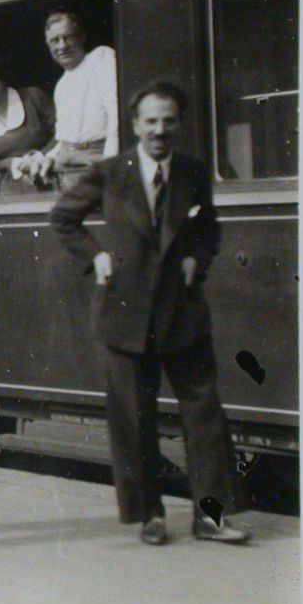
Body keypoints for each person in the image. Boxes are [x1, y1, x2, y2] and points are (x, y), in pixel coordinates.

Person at [50, 80, 249, 546]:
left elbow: (209, 232)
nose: (160, 130)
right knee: (133, 418)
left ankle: (212, 518)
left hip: (181, 313)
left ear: (179, 124)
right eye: (151, 121)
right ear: (136, 125)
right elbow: (63, 218)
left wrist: (195, 260)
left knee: (204, 415)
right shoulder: (109, 172)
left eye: (169, 121)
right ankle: (149, 516)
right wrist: (95, 256)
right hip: (124, 313)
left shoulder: (193, 173)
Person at [34, 11, 120, 191]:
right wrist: (48, 157)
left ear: (82, 37)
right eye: (54, 40)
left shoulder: (101, 58)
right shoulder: (61, 86)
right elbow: (64, 138)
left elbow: (115, 117)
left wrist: (111, 167)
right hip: (67, 165)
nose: (62, 46)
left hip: (96, 159)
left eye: (68, 37)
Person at [0, 53, 56, 195]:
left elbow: (62, 133)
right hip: (9, 190)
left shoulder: (33, 97)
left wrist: (40, 156)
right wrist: (12, 163)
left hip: (50, 177)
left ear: (1, 77)